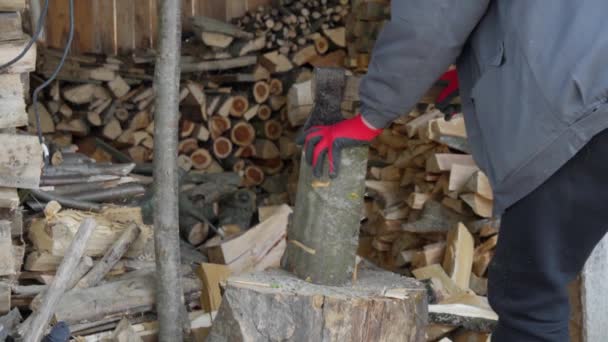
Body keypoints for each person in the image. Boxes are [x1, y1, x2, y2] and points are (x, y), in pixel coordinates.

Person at [300, 1, 608, 341]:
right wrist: (475, 68)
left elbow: (437, 15)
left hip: (583, 111)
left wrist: (370, 116)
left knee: (528, 298)